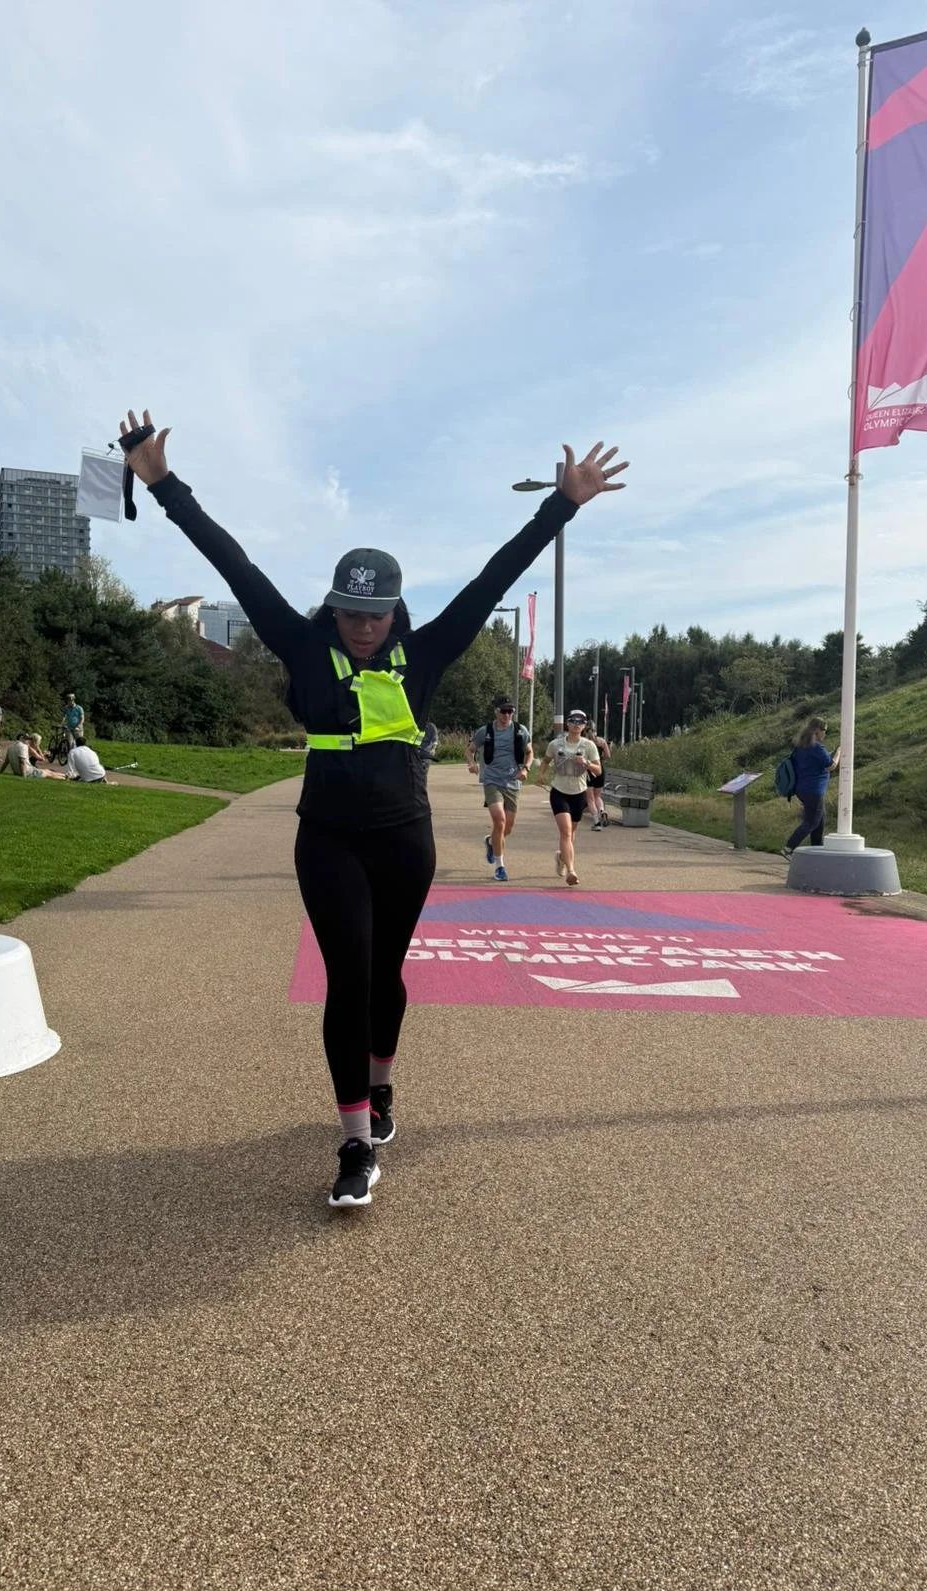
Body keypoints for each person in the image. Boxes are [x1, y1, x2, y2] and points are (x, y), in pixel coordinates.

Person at [118, 407, 628, 1207]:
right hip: (326, 841)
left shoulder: (423, 653)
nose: (361, 627)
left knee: (386, 976)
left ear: (395, 611)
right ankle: (354, 1144)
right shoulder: (298, 643)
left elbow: (492, 579)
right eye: (350, 613)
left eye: (375, 613)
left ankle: (382, 1089)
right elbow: (234, 563)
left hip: (403, 842)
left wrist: (559, 504)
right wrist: (162, 484)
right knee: (347, 980)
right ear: (333, 607)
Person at [467, 697, 532, 882]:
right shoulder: (485, 731)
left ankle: (491, 841)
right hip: (492, 780)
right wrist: (471, 763)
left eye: (510, 711)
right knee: (500, 820)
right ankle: (500, 866)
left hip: (513, 782)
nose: (507, 715)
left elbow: (529, 752)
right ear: (496, 711)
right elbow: (469, 750)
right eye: (503, 711)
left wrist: (526, 768)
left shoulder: (520, 730)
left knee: (507, 828)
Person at [539, 710, 601, 886]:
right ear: (567, 723)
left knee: (572, 833)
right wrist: (541, 775)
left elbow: (599, 770)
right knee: (565, 832)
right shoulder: (556, 744)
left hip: (579, 793)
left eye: (580, 721)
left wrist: (587, 763)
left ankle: (561, 857)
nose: (576, 724)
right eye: (573, 720)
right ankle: (572, 871)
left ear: (584, 725)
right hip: (559, 791)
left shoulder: (588, 746)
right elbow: (545, 760)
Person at [781, 717, 840, 857]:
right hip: (814, 790)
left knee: (820, 819)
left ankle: (816, 851)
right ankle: (788, 848)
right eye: (824, 730)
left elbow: (818, 760)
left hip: (802, 788)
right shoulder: (816, 747)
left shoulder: (802, 745)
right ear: (818, 730)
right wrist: (839, 752)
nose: (825, 733)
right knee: (812, 821)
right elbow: (831, 765)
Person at [585, 731, 612, 829]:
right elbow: (608, 756)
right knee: (597, 796)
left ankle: (596, 822)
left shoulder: (585, 742)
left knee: (590, 799)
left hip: (589, 770)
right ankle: (602, 811)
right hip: (600, 770)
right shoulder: (602, 741)